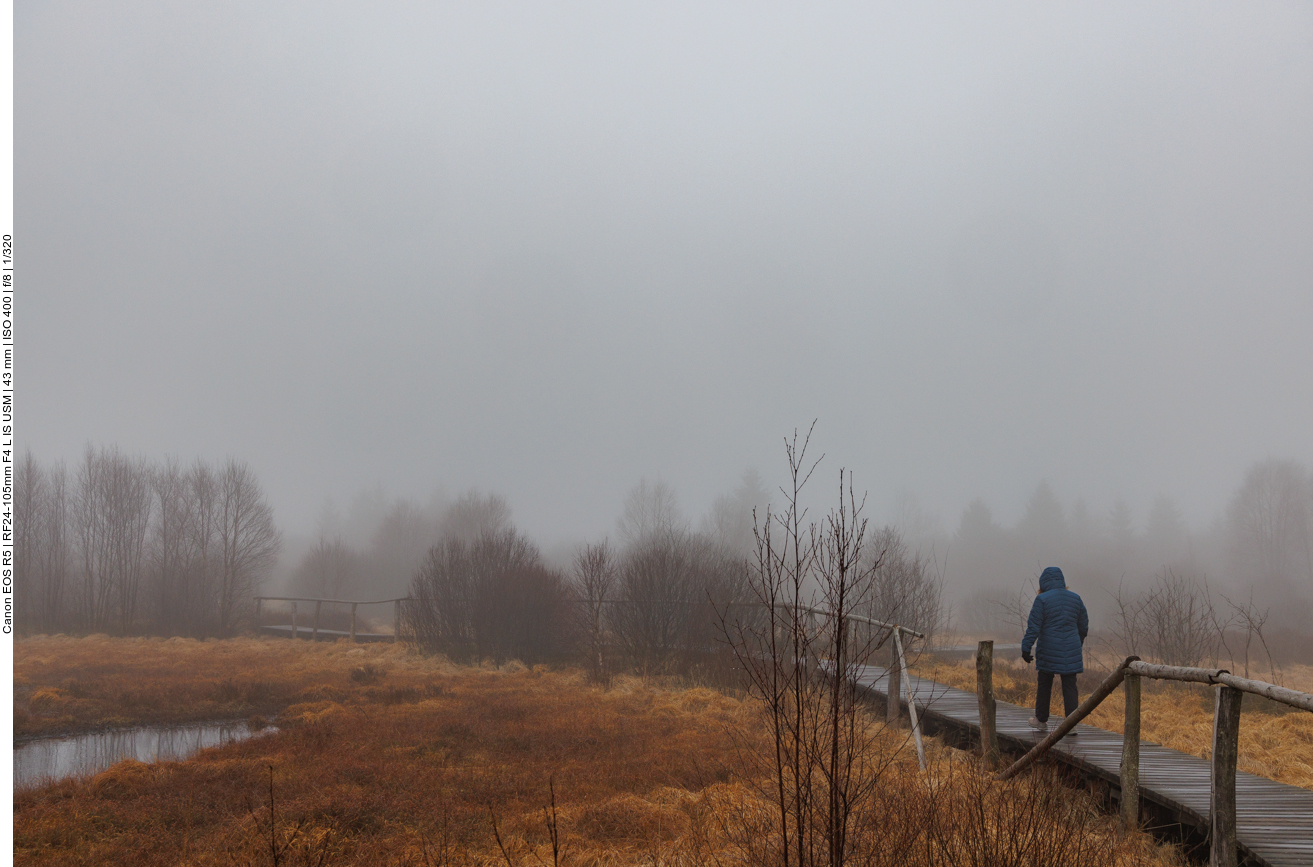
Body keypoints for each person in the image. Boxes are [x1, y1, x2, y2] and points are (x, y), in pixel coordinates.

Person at [1020, 566, 1089, 733]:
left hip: (1048, 648)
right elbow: (1083, 626)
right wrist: (1077, 644)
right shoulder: (1076, 599)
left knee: (1045, 683)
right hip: (1071, 646)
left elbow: (1033, 627)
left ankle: (1041, 720)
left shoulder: (1042, 600)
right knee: (1070, 685)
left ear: (1043, 583)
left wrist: (1026, 648)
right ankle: (1071, 725)